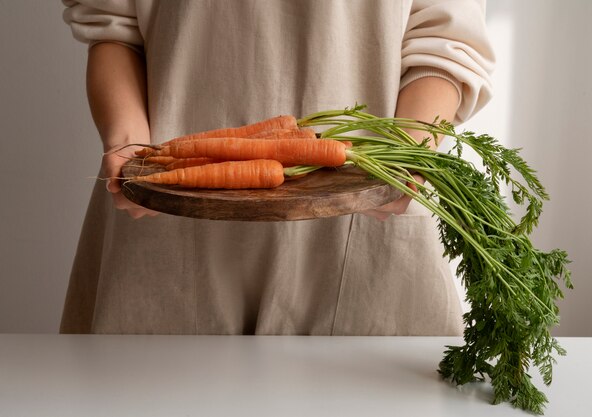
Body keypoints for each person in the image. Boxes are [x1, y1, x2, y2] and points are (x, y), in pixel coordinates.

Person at [60, 0, 495, 335]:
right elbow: (113, 26)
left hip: (362, 222)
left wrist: (411, 149)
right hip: (163, 218)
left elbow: (445, 41)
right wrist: (127, 145)